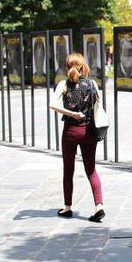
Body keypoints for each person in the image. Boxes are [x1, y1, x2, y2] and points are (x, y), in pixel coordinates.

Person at [49, 53, 105, 222]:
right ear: (84, 66)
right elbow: (98, 105)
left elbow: (52, 104)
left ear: (67, 67)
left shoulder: (63, 84)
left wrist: (72, 113)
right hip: (89, 132)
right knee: (91, 170)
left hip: (71, 133)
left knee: (69, 169)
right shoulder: (92, 83)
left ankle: (67, 208)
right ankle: (99, 206)